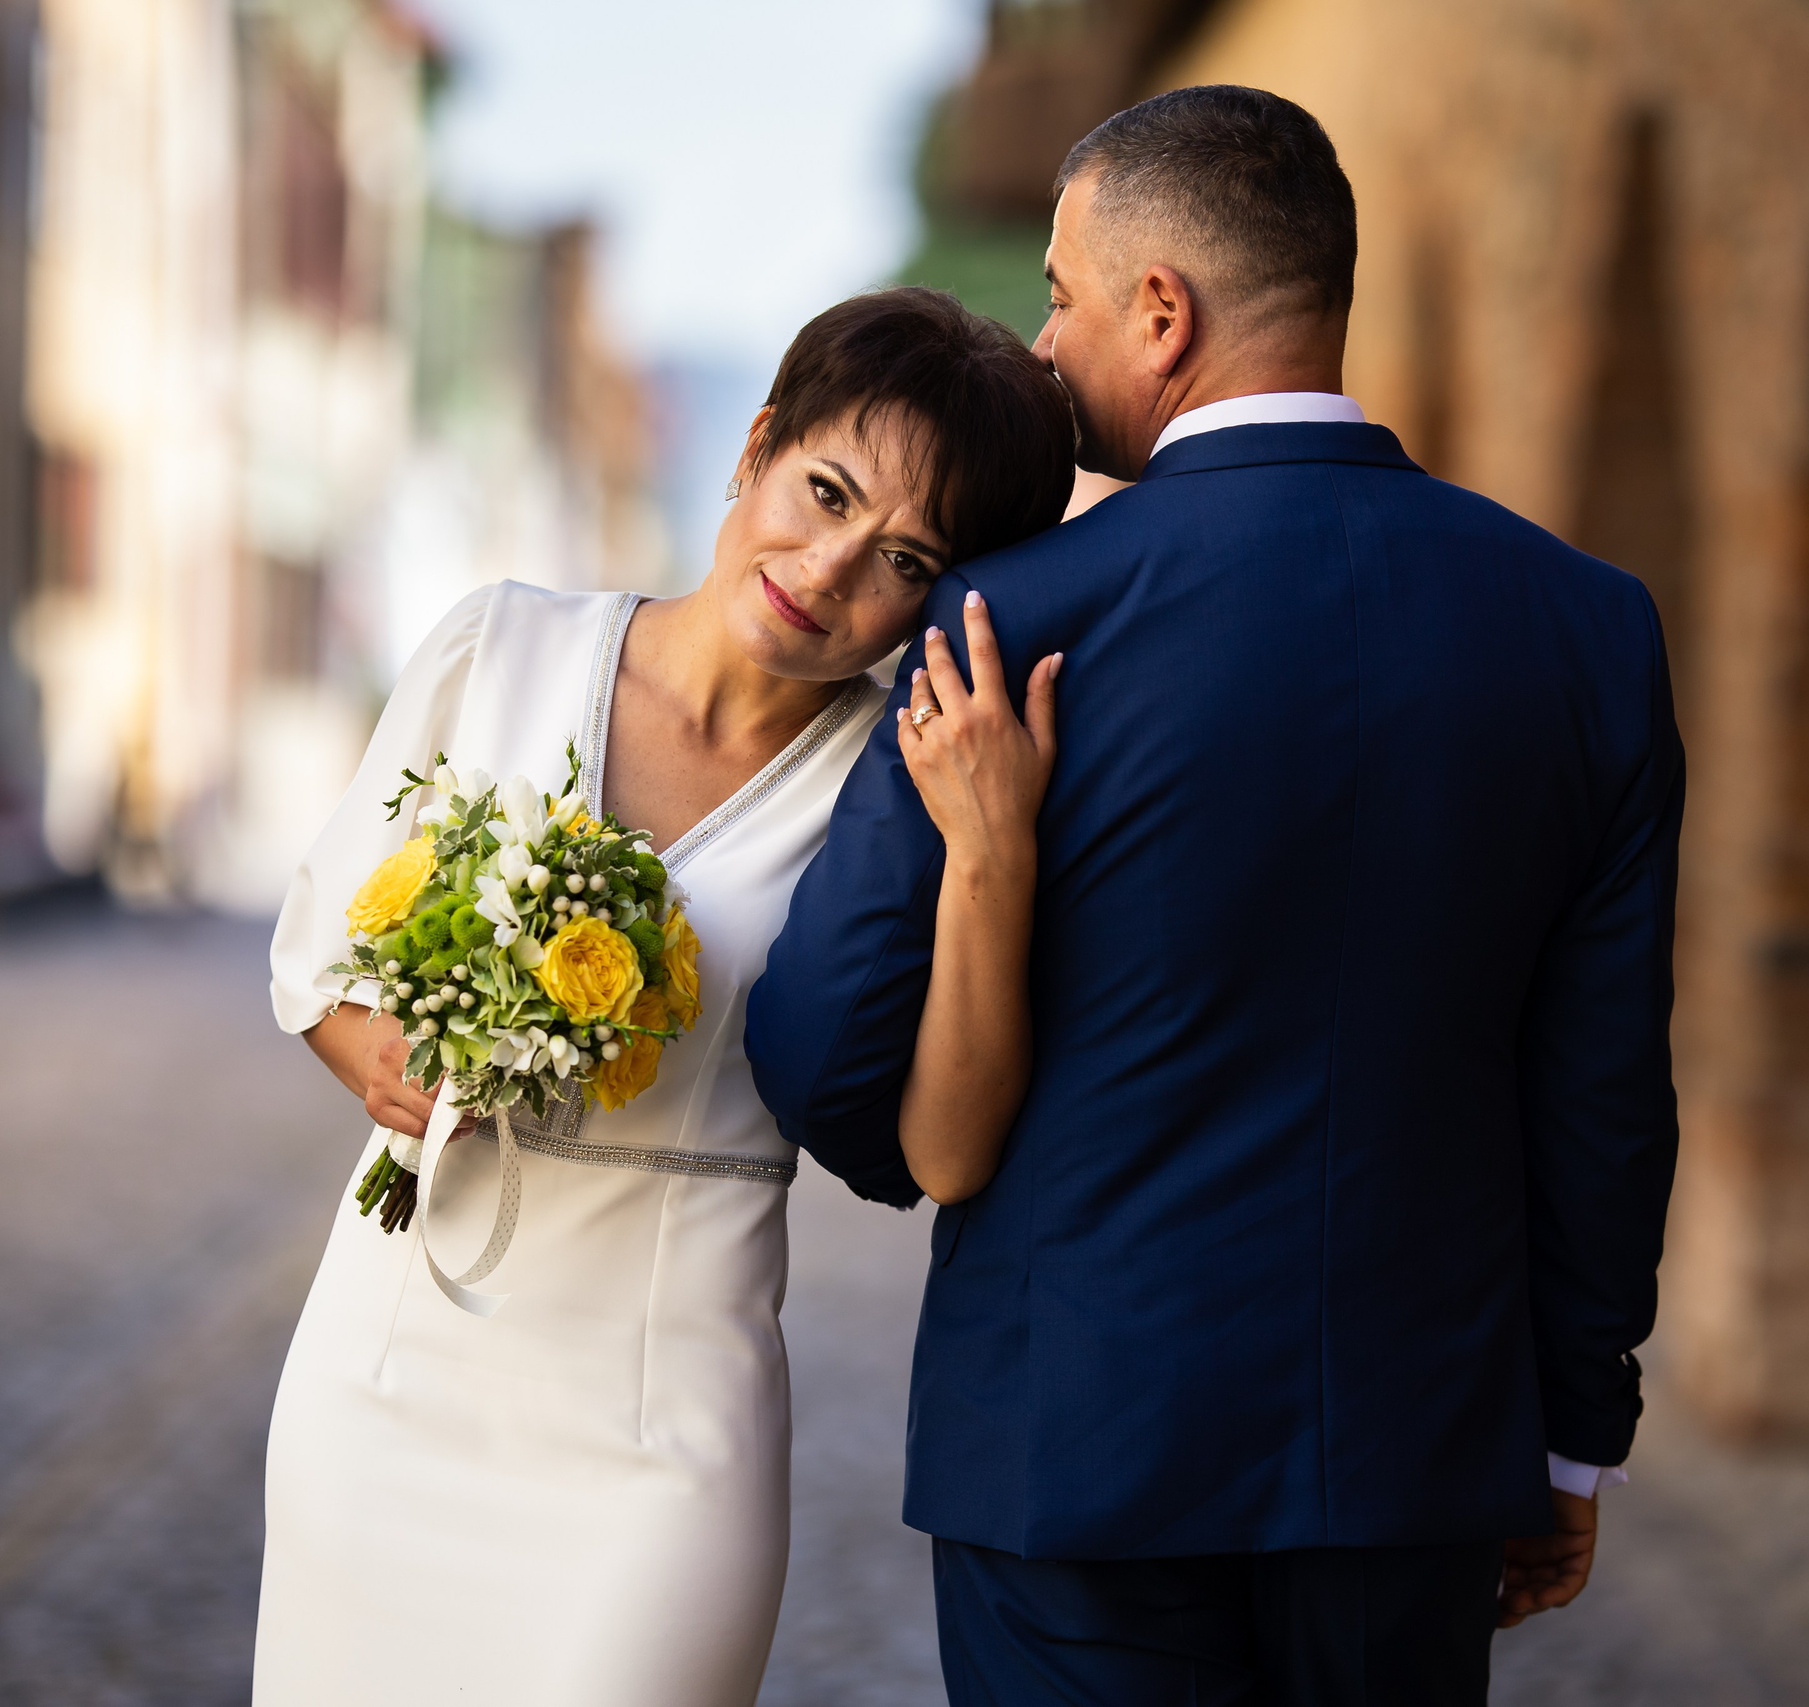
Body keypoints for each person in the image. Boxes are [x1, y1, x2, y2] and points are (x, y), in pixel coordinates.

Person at [750, 85, 1684, 1704]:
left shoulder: (1008, 620)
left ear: (1161, 314)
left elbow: (826, 1048)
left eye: (1060, 292)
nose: (1044, 342)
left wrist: (944, 1133)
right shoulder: (1589, 628)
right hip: (1411, 1458)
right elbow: (1603, 1088)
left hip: (1072, 1451)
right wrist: (1573, 1434)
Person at [254, 289, 1074, 1707]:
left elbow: (947, 1150)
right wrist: (380, 1056)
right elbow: (316, 955)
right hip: (390, 1372)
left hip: (660, 1440)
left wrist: (995, 842)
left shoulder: (897, 792)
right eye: (823, 491)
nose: (825, 570)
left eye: (903, 559)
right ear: (757, 446)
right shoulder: (496, 642)